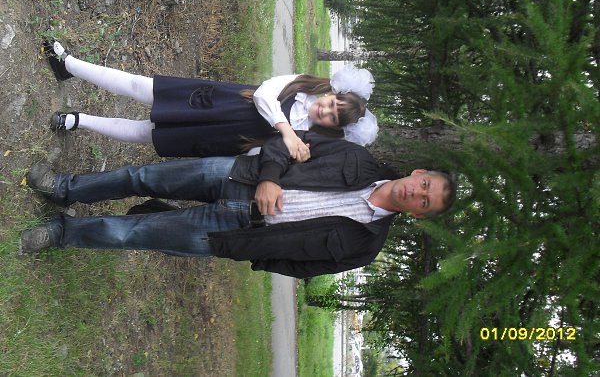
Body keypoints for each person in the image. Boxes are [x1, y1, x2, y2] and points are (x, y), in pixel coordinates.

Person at [21, 130, 456, 278]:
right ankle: (64, 187)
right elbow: (288, 143)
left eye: (425, 201)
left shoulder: (365, 247)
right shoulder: (355, 157)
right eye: (424, 184)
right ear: (418, 172)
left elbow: (303, 268)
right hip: (237, 176)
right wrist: (269, 178)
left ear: (419, 214)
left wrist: (257, 253)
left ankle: (61, 233)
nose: (416, 192)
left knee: (132, 234)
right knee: (143, 177)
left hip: (235, 232)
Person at [44, 41, 378, 160]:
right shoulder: (302, 87)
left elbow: (263, 154)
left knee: (146, 133)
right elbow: (264, 93)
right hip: (213, 101)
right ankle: (69, 65)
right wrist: (286, 130)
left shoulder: (307, 141)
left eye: (332, 117)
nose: (325, 110)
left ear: (334, 128)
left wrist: (286, 140)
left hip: (221, 137)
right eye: (332, 103)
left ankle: (79, 120)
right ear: (332, 93)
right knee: (140, 86)